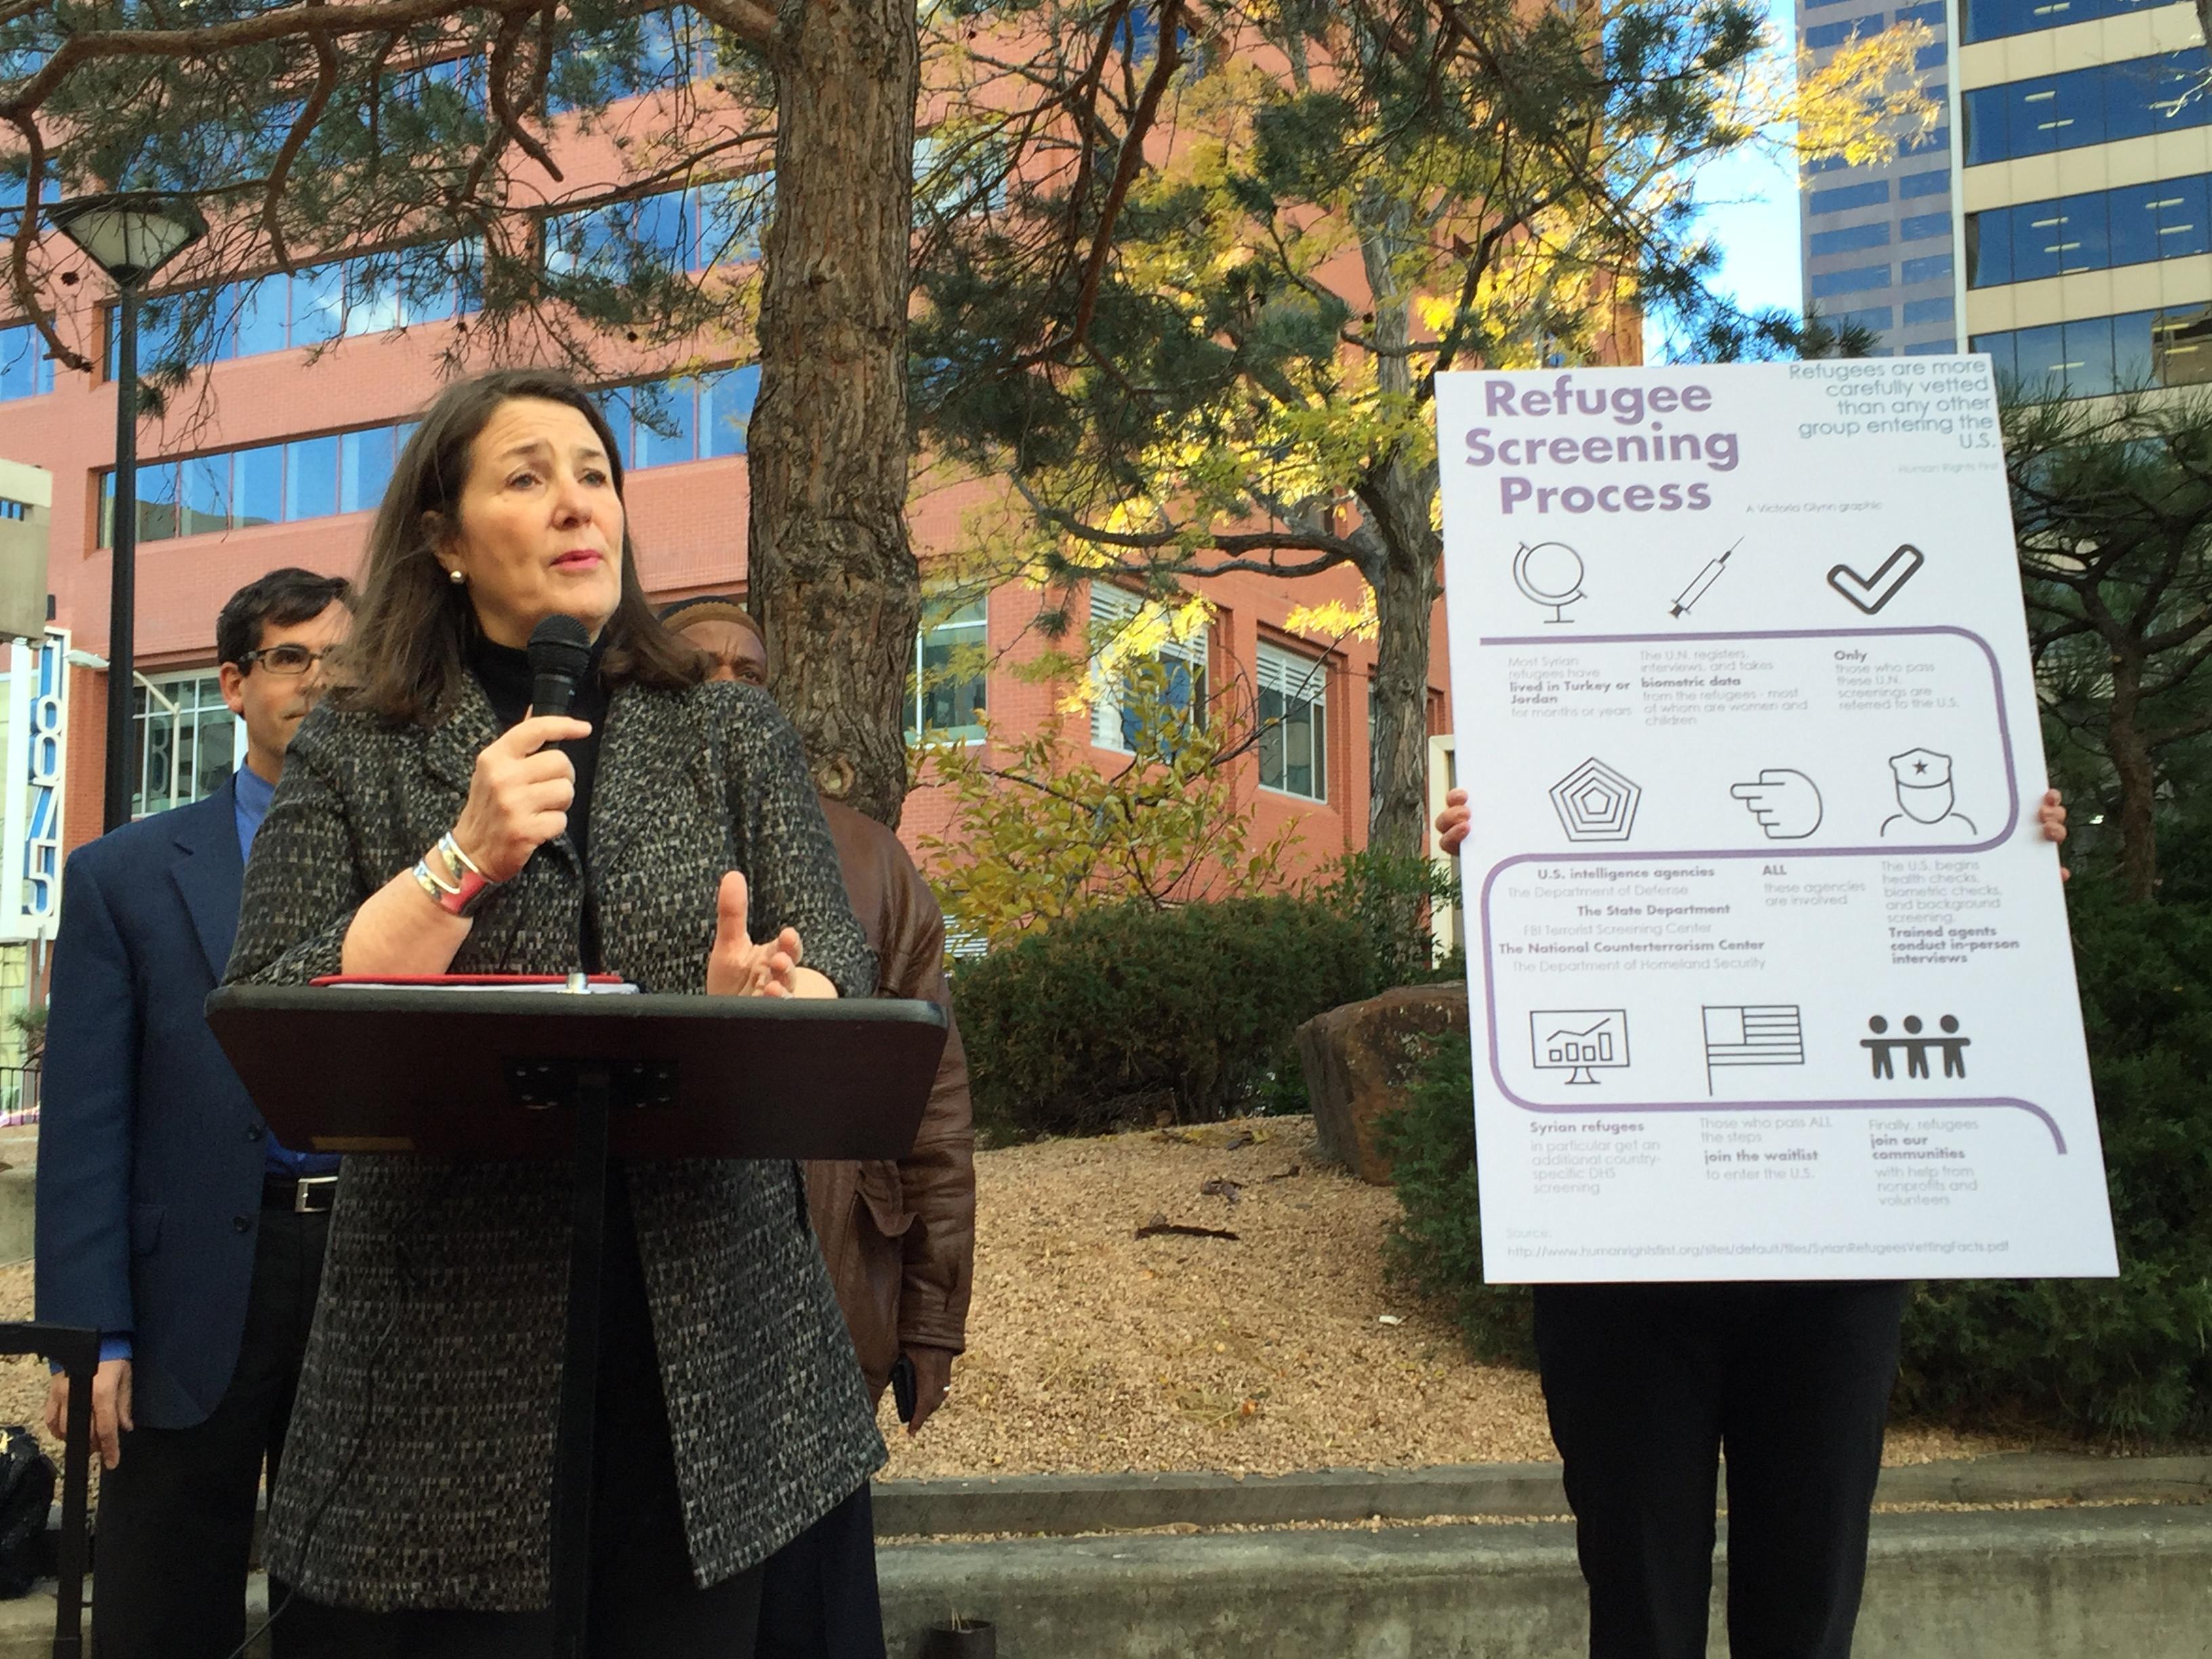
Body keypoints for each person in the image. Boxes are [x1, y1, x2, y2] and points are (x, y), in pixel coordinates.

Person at [224, 369, 882, 1658]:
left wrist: (764, 1001)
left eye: (594, 475)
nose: (578, 504)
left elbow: (846, 986)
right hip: (441, 1368)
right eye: (527, 477)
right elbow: (271, 1009)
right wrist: (458, 861)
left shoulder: (728, 728)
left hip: (716, 1363)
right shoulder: (360, 744)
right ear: (445, 536)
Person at [1433, 781, 2069, 1659]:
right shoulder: (1585, 715)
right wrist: (1508, 851)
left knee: (1805, 1618)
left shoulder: (1862, 749)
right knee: (1642, 1621)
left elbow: (1939, 964)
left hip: (1833, 1261)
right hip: (1620, 1258)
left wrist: (2005, 874)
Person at [34, 567, 352, 1659]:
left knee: (358, 1611)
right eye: (294, 657)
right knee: (164, 1609)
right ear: (233, 682)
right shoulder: (124, 877)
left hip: (368, 1270)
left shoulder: (416, 865)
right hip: (191, 1293)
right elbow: (85, 1125)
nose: (323, 680)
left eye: (344, 659)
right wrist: (95, 1337)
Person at [662, 596, 975, 1658]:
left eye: (749, 673)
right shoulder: (605, 847)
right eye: (696, 670)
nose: (727, 690)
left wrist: (933, 1317)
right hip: (663, 1317)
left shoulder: (875, 862)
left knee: (814, 1619)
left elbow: (933, 1105)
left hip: (828, 1306)